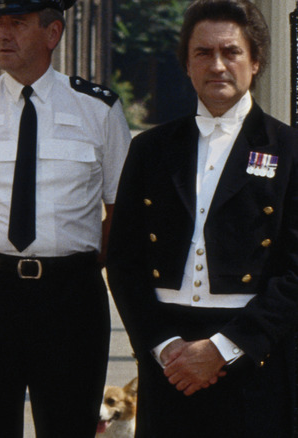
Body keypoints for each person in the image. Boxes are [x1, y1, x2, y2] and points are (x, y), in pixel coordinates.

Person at [0, 0, 131, 436]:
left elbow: (121, 212)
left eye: (17, 23)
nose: (2, 34)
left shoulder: (98, 110)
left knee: (69, 426)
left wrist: (70, 266)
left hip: (70, 300)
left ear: (52, 34)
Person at [106, 1, 298, 436]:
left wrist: (225, 348)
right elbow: (124, 259)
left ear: (256, 60)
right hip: (167, 357)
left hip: (253, 356)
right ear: (187, 64)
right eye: (202, 53)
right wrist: (163, 346)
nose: (217, 65)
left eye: (230, 52)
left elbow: (294, 268)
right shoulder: (151, 150)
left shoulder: (287, 150)